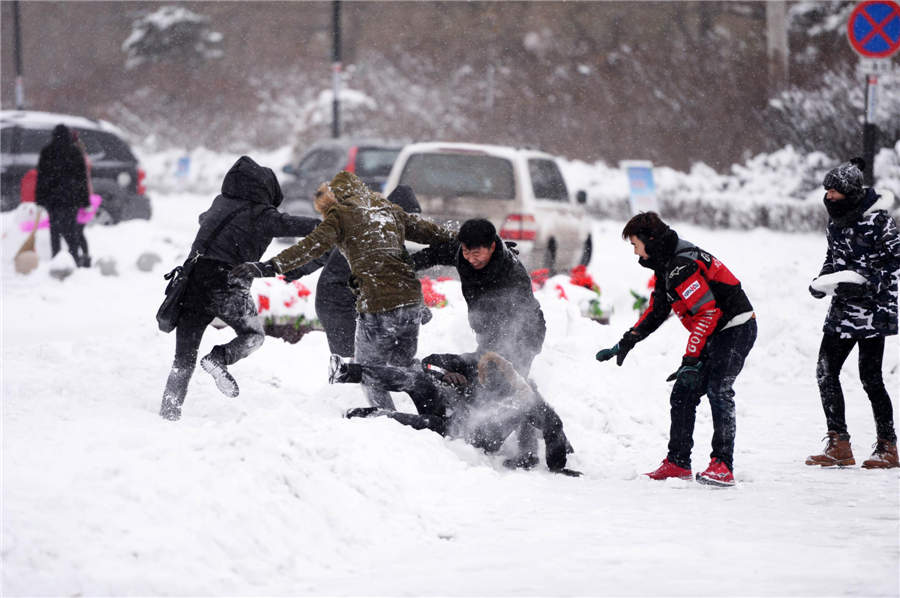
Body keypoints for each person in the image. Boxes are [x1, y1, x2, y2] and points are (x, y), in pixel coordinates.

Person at [230, 171, 456, 410]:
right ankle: (418, 412)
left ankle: (394, 417)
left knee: (376, 368)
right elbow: (318, 251)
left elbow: (313, 246)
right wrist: (468, 240)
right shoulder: (373, 219)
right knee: (382, 365)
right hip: (342, 300)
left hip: (378, 304)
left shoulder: (370, 221)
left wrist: (269, 267)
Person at [595, 212, 756, 486]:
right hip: (715, 330)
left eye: (635, 244)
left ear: (650, 240)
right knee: (683, 391)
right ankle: (678, 463)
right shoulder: (666, 263)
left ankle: (723, 465)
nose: (634, 252)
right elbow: (658, 311)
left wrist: (691, 358)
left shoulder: (681, 265)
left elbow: (707, 313)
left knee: (719, 389)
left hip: (735, 328)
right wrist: (627, 341)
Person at [159, 156, 320, 421]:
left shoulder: (219, 203)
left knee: (183, 359)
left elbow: (205, 219)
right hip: (228, 284)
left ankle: (169, 412)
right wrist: (328, 226)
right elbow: (291, 224)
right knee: (253, 335)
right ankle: (220, 357)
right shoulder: (261, 215)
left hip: (192, 284)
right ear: (267, 191)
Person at [411, 218, 548, 467]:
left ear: (492, 247)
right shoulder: (463, 253)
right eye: (466, 251)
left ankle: (528, 452)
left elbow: (519, 320)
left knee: (514, 385)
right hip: (488, 332)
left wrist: (496, 353)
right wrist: (409, 265)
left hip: (524, 333)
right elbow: (434, 254)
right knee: (491, 380)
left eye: (476, 253)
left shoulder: (512, 274)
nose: (470, 258)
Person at [330, 350, 580, 476]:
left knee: (423, 423)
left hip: (467, 435)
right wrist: (442, 373)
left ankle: (365, 415)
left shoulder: (524, 396)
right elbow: (429, 361)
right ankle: (346, 371)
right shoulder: (472, 362)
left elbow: (553, 424)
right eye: (480, 376)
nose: (483, 384)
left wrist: (558, 463)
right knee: (417, 379)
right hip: (451, 409)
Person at [806, 157, 899, 469]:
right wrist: (821, 282)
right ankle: (839, 443)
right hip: (841, 309)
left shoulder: (879, 222)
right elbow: (833, 258)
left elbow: (894, 264)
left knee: (870, 377)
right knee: (824, 370)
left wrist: (867, 286)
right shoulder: (836, 222)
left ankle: (888, 446)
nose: (828, 196)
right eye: (827, 190)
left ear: (851, 193)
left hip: (873, 312)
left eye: (835, 191)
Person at [284, 185, 424, 358]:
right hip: (336, 303)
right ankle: (341, 385)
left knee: (368, 360)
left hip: (349, 303)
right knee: (351, 361)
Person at [35, 124, 90, 267]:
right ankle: (74, 258)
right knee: (71, 229)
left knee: (54, 231)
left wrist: (40, 199)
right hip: (71, 199)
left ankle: (56, 257)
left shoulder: (47, 151)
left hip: (52, 200)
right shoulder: (75, 152)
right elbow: (82, 178)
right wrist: (85, 201)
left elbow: (41, 177)